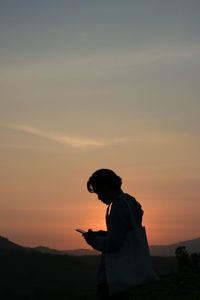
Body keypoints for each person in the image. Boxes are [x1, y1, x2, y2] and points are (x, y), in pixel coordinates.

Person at [82, 169, 144, 299]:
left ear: (106, 187)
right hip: (129, 273)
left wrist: (92, 240)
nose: (99, 198)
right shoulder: (132, 202)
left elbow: (114, 244)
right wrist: (106, 234)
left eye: (99, 193)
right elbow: (126, 234)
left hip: (114, 277)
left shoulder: (118, 205)